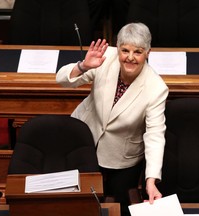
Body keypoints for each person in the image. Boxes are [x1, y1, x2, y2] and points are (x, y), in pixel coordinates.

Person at [56, 22, 169, 216]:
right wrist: (83, 66)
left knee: (119, 207)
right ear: (117, 49)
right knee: (79, 203)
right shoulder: (104, 57)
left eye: (138, 52)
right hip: (84, 140)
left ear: (148, 53)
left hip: (122, 155)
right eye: (125, 50)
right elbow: (62, 80)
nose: (130, 58)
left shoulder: (156, 88)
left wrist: (151, 180)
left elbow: (155, 136)